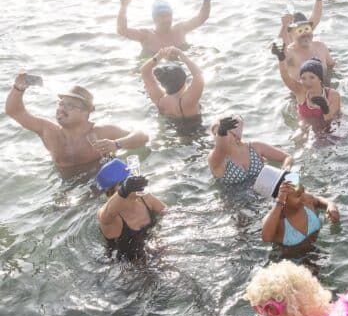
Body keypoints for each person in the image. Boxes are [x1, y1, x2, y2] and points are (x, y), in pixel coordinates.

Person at [5, 78, 148, 179]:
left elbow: (142, 135)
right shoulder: (49, 131)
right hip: (65, 186)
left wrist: (116, 144)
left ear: (86, 112)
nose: (61, 108)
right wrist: (18, 88)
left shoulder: (101, 132)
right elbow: (14, 111)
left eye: (69, 105)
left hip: (99, 183)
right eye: (60, 104)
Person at [96, 159, 166, 261]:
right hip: (127, 266)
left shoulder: (145, 198)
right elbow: (107, 213)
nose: (132, 183)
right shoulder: (110, 216)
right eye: (124, 182)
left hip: (154, 248)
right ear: (110, 191)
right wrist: (124, 191)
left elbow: (169, 213)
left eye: (130, 178)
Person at [260, 172, 340, 258]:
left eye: (303, 191)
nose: (304, 196)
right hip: (293, 263)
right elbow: (266, 238)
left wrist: (331, 205)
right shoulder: (276, 221)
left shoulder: (307, 200)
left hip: (319, 253)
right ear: (283, 200)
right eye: (298, 195)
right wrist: (279, 202)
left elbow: (320, 201)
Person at [117, 0, 212, 55]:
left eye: (168, 15)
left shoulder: (180, 29)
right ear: (154, 18)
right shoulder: (146, 35)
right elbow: (122, 30)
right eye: (162, 16)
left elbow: (202, 17)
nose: (166, 19)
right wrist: (123, 7)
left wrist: (207, 0)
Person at [207, 115, 293, 188]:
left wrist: (285, 169)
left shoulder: (255, 147)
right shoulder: (216, 158)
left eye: (220, 133)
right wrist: (222, 133)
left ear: (235, 135)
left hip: (263, 193)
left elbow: (287, 157)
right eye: (215, 134)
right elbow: (221, 148)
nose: (217, 137)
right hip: (233, 203)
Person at [271, 50, 340, 137]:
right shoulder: (300, 91)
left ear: (320, 78)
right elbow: (285, 77)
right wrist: (281, 60)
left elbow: (330, 121)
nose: (307, 82)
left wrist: (325, 108)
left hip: (330, 128)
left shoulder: (332, 94)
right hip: (307, 129)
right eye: (303, 78)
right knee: (298, 138)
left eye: (312, 77)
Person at [139, 46, 204, 120]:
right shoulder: (188, 101)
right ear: (184, 79)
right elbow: (198, 74)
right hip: (193, 129)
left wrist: (158, 56)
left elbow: (144, 70)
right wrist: (181, 54)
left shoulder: (159, 99)